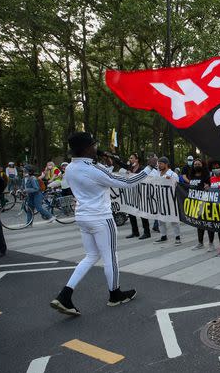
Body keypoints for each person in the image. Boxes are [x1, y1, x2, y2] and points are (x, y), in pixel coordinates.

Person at [50, 132, 157, 316]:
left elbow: (99, 176)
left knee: (91, 256)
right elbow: (128, 182)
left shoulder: (71, 168)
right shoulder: (92, 169)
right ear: (86, 149)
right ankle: (115, 294)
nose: (96, 148)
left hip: (83, 216)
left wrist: (106, 164)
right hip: (101, 217)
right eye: (93, 145)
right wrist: (148, 168)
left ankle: (64, 295)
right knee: (111, 257)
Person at [151, 157, 181, 244]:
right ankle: (163, 236)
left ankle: (177, 236)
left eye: (160, 163)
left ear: (166, 164)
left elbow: (177, 186)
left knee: (173, 219)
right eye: (158, 164)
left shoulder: (173, 174)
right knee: (160, 219)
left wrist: (170, 180)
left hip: (171, 200)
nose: (159, 165)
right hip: (160, 199)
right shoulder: (157, 174)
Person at [188, 159, 216, 251]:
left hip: (205, 202)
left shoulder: (207, 176)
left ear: (202, 165)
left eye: (198, 164)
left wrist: (208, 187)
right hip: (195, 203)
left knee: (208, 223)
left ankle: (211, 243)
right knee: (199, 223)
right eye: (195, 164)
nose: (196, 165)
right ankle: (200, 243)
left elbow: (212, 188)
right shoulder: (191, 176)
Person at [125, 153, 152, 240]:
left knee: (142, 213)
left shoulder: (142, 168)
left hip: (141, 193)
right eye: (130, 158)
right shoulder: (130, 168)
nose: (130, 159)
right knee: (131, 212)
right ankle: (135, 232)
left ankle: (147, 232)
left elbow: (146, 178)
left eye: (132, 158)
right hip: (132, 193)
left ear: (136, 160)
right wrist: (128, 173)